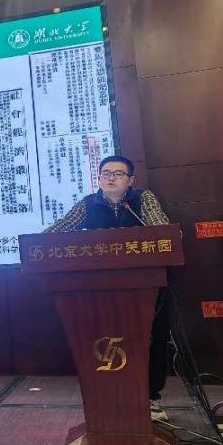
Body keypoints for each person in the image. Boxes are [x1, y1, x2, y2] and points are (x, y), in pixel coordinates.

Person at [44, 154, 172, 422]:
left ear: (130, 180)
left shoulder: (142, 199)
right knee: (99, 339)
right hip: (98, 292)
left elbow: (162, 231)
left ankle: (150, 398)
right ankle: (105, 400)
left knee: (151, 339)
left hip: (144, 288)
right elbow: (54, 233)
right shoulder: (88, 204)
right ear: (100, 179)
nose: (111, 178)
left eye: (118, 173)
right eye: (106, 174)